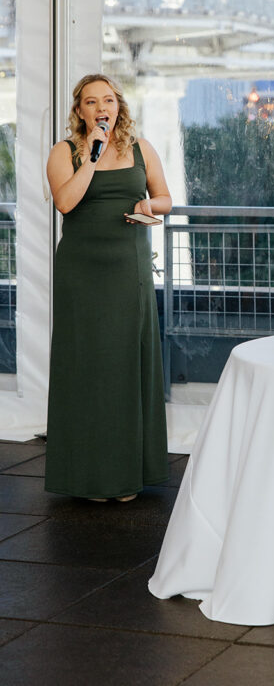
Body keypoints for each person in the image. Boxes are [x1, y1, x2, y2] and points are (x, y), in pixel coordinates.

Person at [44, 74, 172, 502]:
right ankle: (89, 476)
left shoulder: (141, 148)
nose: (102, 107)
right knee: (87, 366)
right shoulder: (64, 152)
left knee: (124, 365)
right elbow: (65, 202)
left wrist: (149, 205)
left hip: (128, 271)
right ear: (79, 110)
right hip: (82, 273)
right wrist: (92, 158)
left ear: (119, 105)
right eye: (91, 101)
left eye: (108, 100)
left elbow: (166, 198)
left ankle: (127, 473)